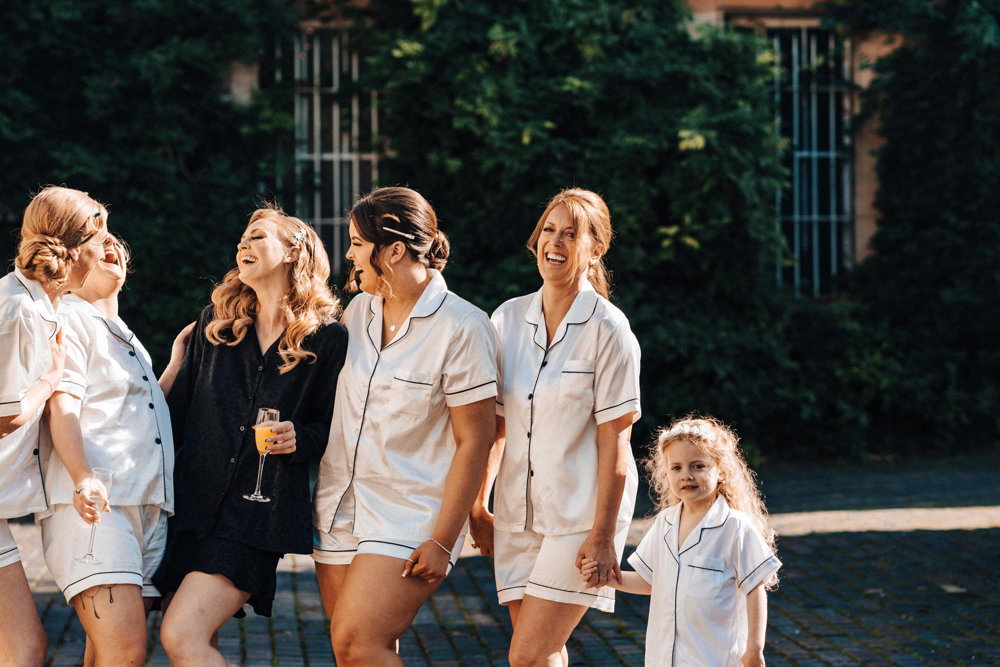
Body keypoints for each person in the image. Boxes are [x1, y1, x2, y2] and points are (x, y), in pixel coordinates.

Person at [153, 205, 347, 667]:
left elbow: (336, 426)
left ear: (293, 251)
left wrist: (301, 436)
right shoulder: (214, 327)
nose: (243, 244)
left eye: (257, 236)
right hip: (191, 508)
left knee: (181, 635)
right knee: (200, 641)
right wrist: (177, 363)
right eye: (242, 237)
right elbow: (170, 417)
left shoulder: (327, 339)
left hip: (256, 517)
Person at [312, 186, 498, 664]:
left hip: (411, 516)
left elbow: (475, 438)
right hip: (338, 508)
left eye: (356, 243)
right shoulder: (357, 312)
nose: (348, 254)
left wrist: (442, 538)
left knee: (357, 644)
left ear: (392, 250)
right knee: (355, 650)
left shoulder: (463, 326)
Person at [470, 188, 642, 666]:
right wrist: (478, 505)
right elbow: (495, 427)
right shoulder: (506, 318)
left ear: (596, 249)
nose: (556, 242)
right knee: (543, 654)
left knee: (526, 655)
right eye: (549, 229)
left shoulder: (610, 330)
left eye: (572, 233)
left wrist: (604, 535)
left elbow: (617, 443)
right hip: (515, 516)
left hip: (579, 518)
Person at [39, 236, 185, 666]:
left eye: (114, 241)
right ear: (69, 261)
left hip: (143, 508)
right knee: (125, 651)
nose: (111, 246)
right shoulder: (69, 319)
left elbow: (136, 414)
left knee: (107, 652)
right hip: (97, 509)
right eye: (96, 242)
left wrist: (174, 366)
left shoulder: (124, 333)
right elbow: (62, 405)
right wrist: (83, 477)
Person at [0, 186, 111, 665]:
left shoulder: (40, 303)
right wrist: (50, 379)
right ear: (73, 249)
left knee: (23, 647)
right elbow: (6, 414)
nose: (108, 250)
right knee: (25, 648)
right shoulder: (19, 306)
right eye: (100, 239)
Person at [582, 416, 782, 667]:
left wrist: (754, 649)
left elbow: (755, 588)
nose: (686, 475)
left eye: (698, 466)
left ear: (720, 470)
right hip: (664, 658)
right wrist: (607, 577)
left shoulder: (734, 527)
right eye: (676, 468)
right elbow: (649, 580)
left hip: (715, 659)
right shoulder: (665, 523)